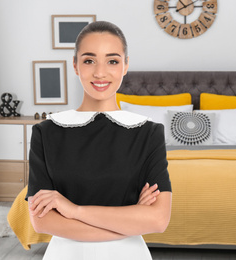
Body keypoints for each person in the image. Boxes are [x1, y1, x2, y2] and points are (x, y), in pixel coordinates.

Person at [26, 21, 172, 260]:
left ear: (126, 65)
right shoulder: (46, 133)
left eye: (112, 61)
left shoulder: (149, 133)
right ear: (75, 65)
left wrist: (73, 210)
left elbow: (158, 220)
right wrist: (131, 218)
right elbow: (42, 222)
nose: (100, 72)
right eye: (89, 60)